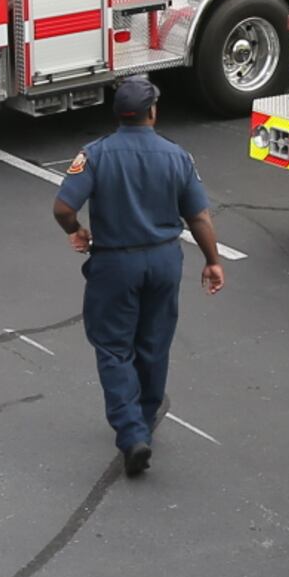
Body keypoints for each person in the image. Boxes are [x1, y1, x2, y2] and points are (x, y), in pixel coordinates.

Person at [51, 77, 227, 477]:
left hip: (115, 263)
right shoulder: (177, 156)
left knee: (114, 347)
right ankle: (144, 421)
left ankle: (131, 434)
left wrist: (75, 230)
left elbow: (63, 207)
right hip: (164, 261)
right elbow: (198, 215)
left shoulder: (96, 154)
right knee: (153, 343)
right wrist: (212, 260)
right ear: (152, 112)